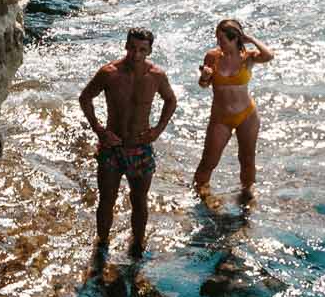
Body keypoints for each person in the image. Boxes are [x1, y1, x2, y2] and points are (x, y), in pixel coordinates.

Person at [78, 27, 177, 260]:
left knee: (140, 200)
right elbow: (85, 98)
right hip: (112, 148)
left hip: (141, 148)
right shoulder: (109, 73)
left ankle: (138, 245)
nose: (136, 54)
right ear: (125, 46)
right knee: (106, 199)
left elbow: (171, 100)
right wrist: (99, 130)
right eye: (132, 48)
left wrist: (158, 130)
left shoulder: (156, 76)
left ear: (150, 51)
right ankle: (101, 246)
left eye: (142, 50)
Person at [193, 17, 273, 200]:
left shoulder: (248, 58)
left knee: (247, 160)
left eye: (222, 39)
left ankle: (246, 195)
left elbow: (269, 56)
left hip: (247, 115)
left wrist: (251, 39)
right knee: (209, 161)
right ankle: (200, 194)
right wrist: (205, 77)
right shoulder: (212, 56)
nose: (219, 43)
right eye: (217, 39)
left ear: (235, 39)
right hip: (221, 118)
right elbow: (203, 85)